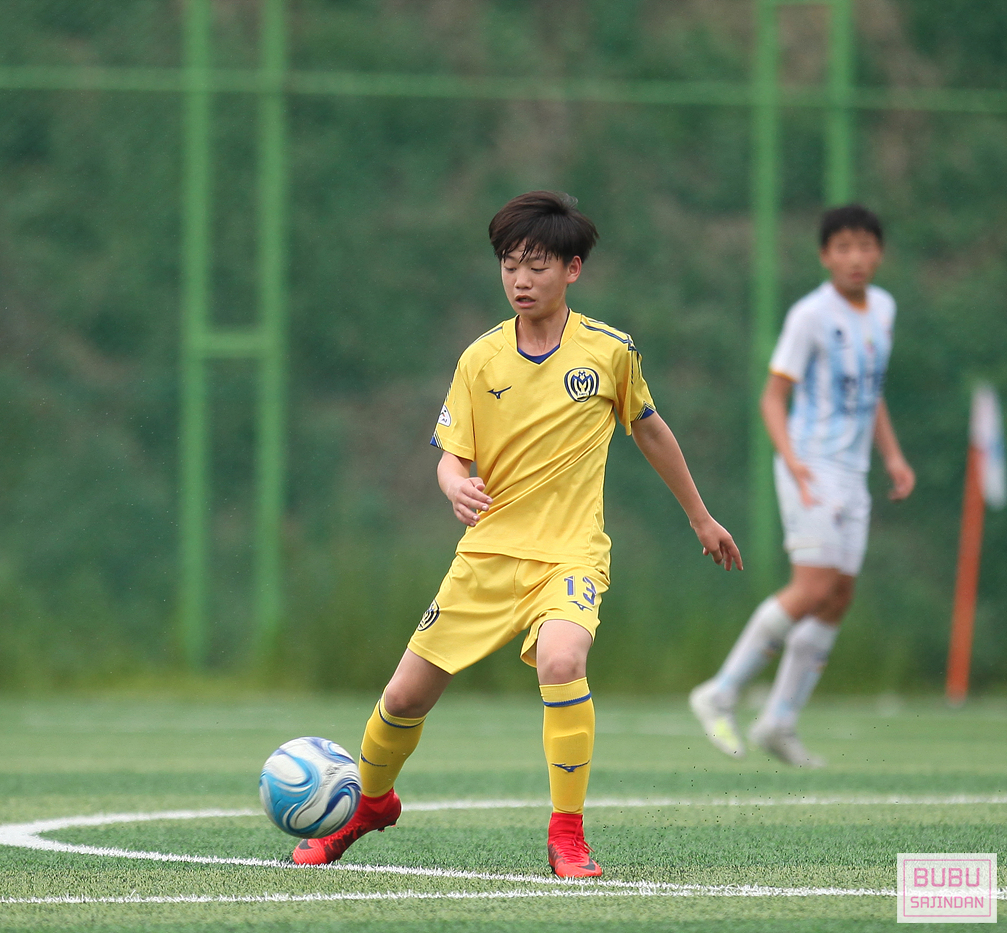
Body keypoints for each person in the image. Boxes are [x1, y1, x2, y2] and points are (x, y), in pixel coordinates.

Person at [291, 191, 742, 878]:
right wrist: (454, 485)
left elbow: (650, 429)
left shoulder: (610, 351)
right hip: (487, 556)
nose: (521, 280)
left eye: (537, 265)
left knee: (562, 661)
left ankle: (568, 834)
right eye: (509, 265)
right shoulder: (480, 359)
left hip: (569, 555)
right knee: (403, 698)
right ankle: (370, 806)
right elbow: (451, 457)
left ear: (573, 269)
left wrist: (700, 516)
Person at [689, 204, 914, 768]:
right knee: (813, 587)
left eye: (866, 246)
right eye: (844, 247)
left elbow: (871, 393)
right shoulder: (810, 316)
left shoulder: (883, 309)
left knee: (839, 595)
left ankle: (779, 722)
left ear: (879, 253)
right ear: (825, 256)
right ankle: (720, 692)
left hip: (853, 475)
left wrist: (892, 456)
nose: (856, 258)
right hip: (811, 467)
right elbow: (772, 398)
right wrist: (793, 462)